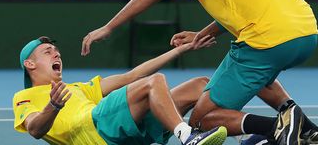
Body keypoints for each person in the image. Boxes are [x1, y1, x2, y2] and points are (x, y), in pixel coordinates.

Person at [80, 0, 318, 145]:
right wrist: (204, 32)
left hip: (268, 40)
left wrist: (109, 26)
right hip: (306, 32)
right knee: (256, 78)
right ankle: (310, 131)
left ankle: (280, 127)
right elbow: (246, 3)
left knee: (203, 121)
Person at [13, 36, 227, 145]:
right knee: (154, 82)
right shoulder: (23, 97)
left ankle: (240, 133)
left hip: (114, 132)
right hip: (93, 131)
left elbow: (132, 76)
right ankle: (187, 136)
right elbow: (35, 129)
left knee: (200, 85)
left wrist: (181, 49)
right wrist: (53, 106)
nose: (56, 55)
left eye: (57, 51)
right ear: (30, 64)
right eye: (48, 52)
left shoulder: (78, 88)